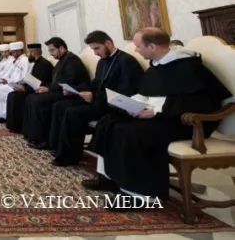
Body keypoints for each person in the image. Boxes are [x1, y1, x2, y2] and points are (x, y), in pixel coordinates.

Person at [83, 28, 230, 207]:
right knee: (109, 121)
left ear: (152, 46)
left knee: (131, 132)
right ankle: (107, 176)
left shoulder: (187, 67)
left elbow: (203, 102)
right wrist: (132, 104)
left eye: (138, 46)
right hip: (162, 116)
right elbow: (148, 93)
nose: (136, 50)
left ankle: (141, 196)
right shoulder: (158, 65)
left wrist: (156, 111)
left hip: (184, 122)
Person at [50, 31, 144, 166]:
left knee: (73, 112)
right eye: (93, 49)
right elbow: (95, 83)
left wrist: (93, 96)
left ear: (108, 43)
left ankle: (70, 156)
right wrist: (76, 89)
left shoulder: (126, 62)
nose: (95, 53)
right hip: (99, 100)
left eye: (97, 48)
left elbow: (126, 92)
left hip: (113, 106)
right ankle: (59, 148)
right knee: (60, 105)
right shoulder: (102, 62)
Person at [22, 37, 90, 149]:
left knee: (38, 101)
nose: (50, 53)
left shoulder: (72, 60)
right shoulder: (62, 60)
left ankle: (43, 139)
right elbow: (56, 81)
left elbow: (69, 81)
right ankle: (31, 134)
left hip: (69, 94)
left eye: (52, 50)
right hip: (58, 90)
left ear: (62, 48)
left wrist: (48, 89)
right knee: (31, 97)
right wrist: (46, 87)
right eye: (49, 50)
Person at [6, 43, 54, 132]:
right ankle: (14, 126)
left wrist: (25, 88)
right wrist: (22, 84)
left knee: (16, 97)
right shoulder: (36, 63)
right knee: (12, 95)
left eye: (28, 52)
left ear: (33, 52)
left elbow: (41, 83)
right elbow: (31, 78)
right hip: (31, 88)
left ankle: (19, 127)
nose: (27, 54)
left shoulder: (44, 64)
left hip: (38, 90)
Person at [0, 42, 30, 122]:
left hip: (16, 85)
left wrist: (11, 81)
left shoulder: (25, 60)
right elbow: (10, 73)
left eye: (13, 52)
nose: (12, 54)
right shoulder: (17, 60)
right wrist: (6, 79)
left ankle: (2, 116)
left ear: (19, 51)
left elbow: (23, 76)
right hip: (10, 83)